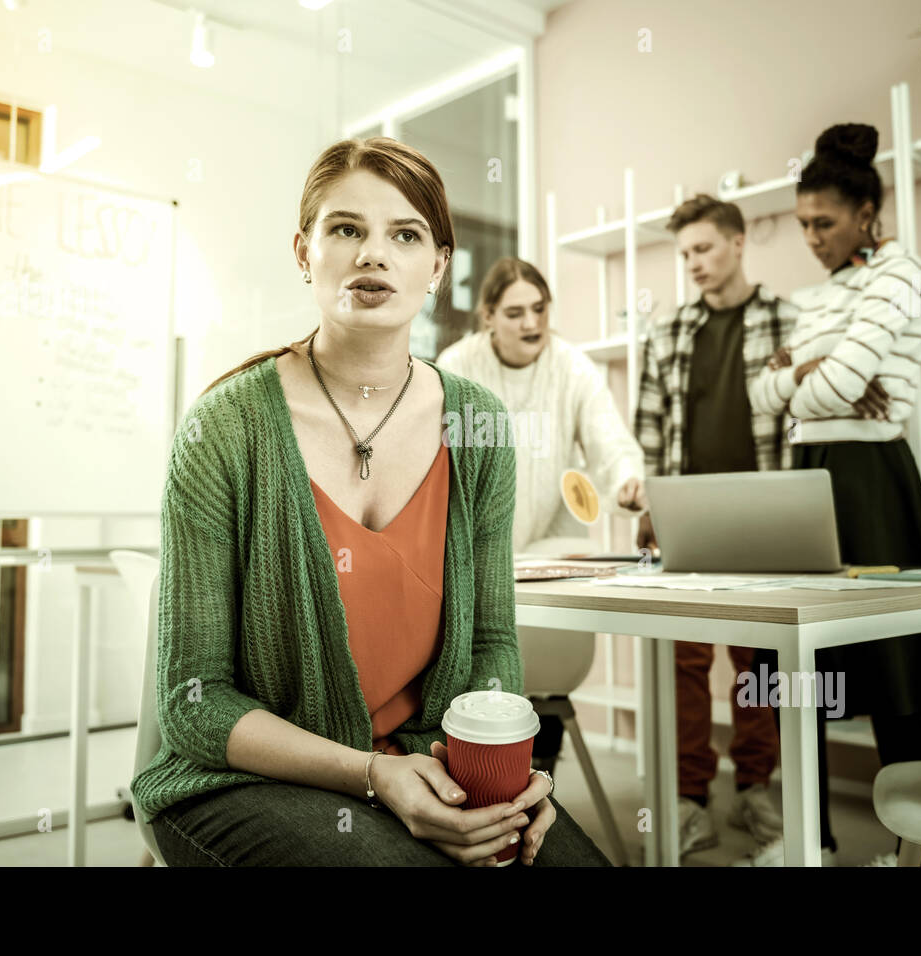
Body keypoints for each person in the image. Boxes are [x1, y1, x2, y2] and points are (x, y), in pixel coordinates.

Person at [130, 137, 611, 866]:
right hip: (242, 781)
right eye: (346, 229)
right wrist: (373, 777)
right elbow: (194, 705)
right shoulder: (223, 429)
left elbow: (491, 645)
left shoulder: (476, 426)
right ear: (304, 252)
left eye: (406, 235)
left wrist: (497, 781)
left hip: (427, 765)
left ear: (439, 267)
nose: (373, 255)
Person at [745, 122, 921, 867]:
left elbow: (816, 386)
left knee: (894, 672)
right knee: (803, 670)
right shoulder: (823, 294)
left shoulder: (901, 273)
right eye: (804, 224)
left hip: (873, 482)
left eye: (825, 223)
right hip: (808, 473)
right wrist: (816, 369)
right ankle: (811, 841)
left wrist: (803, 375)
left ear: (866, 215)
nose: (811, 238)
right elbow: (765, 391)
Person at [436, 257, 647, 777]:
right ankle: (478, 767)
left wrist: (626, 482)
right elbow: (433, 459)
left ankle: (540, 771)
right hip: (475, 543)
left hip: (549, 546)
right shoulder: (457, 364)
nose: (532, 323)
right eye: (515, 313)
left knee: (545, 671)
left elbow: (609, 440)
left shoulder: (572, 366)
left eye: (539, 309)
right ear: (488, 317)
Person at [633, 195, 797, 857]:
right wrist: (650, 504)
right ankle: (689, 795)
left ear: (737, 242)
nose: (693, 263)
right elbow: (649, 430)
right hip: (689, 514)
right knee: (686, 660)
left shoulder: (788, 320)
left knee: (758, 659)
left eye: (703, 248)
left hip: (766, 506)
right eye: (684, 254)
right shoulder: (669, 333)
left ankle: (756, 786)